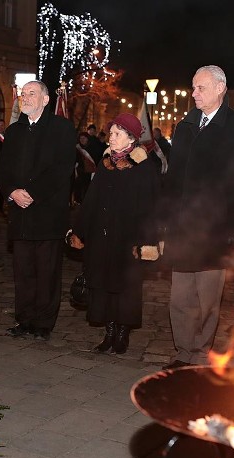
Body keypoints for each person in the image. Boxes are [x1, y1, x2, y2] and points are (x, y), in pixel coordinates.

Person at [163, 65, 234, 368]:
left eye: (200, 88)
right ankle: (183, 352)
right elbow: (174, 177)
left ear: (220, 88)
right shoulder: (185, 126)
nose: (194, 94)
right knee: (180, 296)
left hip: (216, 227)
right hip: (183, 225)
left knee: (207, 298)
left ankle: (202, 353)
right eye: (193, 87)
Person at [68, 113, 162, 354]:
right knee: (103, 285)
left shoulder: (144, 167)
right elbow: (91, 201)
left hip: (128, 240)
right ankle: (109, 331)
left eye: (116, 133)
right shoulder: (105, 163)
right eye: (110, 133)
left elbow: (152, 209)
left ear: (131, 138)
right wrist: (79, 231)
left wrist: (148, 242)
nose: (111, 137)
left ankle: (122, 334)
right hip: (102, 237)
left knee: (125, 288)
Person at [0, 80, 77, 340]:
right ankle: (25, 319)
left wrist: (32, 193)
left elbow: (62, 169)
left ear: (45, 99)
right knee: (23, 271)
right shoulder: (14, 131)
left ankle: (44, 323)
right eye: (23, 94)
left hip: (47, 212)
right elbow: (3, 169)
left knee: (47, 271)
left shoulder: (61, 128)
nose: (25, 98)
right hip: (20, 214)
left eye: (32, 93)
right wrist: (11, 191)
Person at [73, 131, 96, 204]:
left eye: (84, 138)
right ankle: (78, 201)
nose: (82, 139)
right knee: (78, 186)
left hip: (89, 171)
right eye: (81, 138)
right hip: (79, 170)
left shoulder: (92, 148)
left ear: (87, 139)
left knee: (87, 187)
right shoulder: (76, 148)